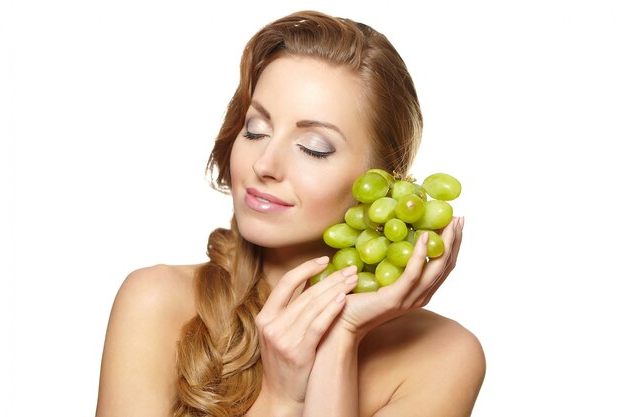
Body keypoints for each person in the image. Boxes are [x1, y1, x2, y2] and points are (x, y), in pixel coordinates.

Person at [95, 10, 485, 417]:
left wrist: (339, 339)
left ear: (384, 181)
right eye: (255, 130)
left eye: (314, 147)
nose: (265, 163)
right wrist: (280, 400)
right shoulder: (156, 302)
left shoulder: (444, 356)